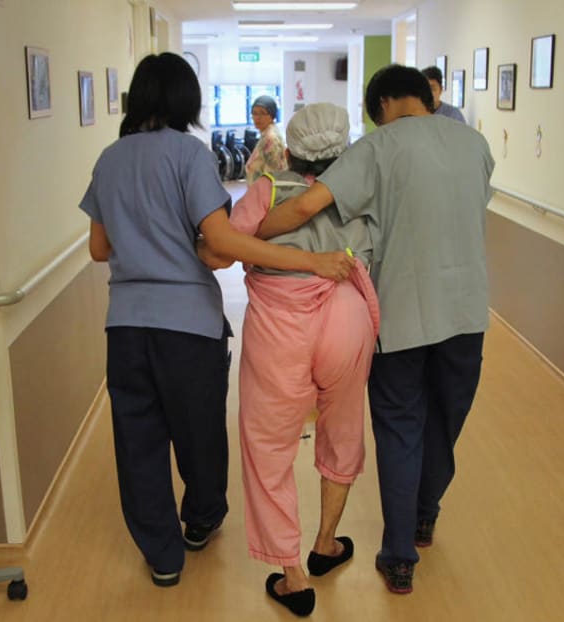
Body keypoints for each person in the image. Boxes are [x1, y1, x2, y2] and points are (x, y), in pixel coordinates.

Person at [78, 53, 354, 590]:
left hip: (126, 327)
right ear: (187, 100)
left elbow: (98, 248)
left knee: (138, 440)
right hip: (188, 325)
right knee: (199, 429)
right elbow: (223, 246)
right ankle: (201, 520)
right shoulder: (190, 154)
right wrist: (307, 261)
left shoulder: (108, 159)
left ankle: (162, 556)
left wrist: (144, 239)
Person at [257, 64, 495, 595]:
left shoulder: (377, 147)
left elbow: (307, 205)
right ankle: (425, 512)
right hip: (466, 314)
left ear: (384, 102)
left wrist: (253, 230)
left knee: (399, 428)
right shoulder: (475, 143)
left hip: (402, 314)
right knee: (445, 420)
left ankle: (399, 554)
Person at [223, 103, 379, 617]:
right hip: (346, 313)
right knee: (343, 427)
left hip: (280, 321)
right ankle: (326, 543)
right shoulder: (363, 192)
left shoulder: (269, 189)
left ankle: (292, 576)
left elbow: (227, 244)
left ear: (289, 149)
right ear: (345, 144)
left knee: (267, 442)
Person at [244, 95, 288, 185]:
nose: (258, 117)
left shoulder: (270, 138)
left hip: (267, 193)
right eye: (254, 113)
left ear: (272, 115)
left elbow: (274, 173)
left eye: (263, 113)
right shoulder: (266, 134)